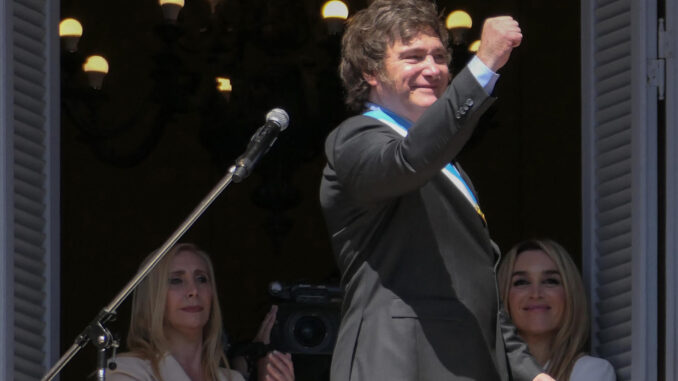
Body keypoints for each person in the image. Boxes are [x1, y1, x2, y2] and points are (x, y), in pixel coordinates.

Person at [319, 0, 553, 380]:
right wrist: (483, 66)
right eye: (413, 57)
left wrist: (531, 373)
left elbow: (478, 290)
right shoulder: (354, 140)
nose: (433, 69)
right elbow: (408, 161)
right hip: (398, 363)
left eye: (441, 57)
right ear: (371, 71)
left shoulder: (448, 165)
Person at [107, 243, 294, 381]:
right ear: (152, 299)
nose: (193, 290)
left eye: (202, 279)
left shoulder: (233, 379)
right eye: (176, 281)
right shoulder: (126, 371)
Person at [497, 239, 616, 381]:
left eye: (550, 281)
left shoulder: (591, 371)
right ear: (503, 296)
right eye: (521, 282)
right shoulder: (482, 371)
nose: (536, 294)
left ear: (570, 293)